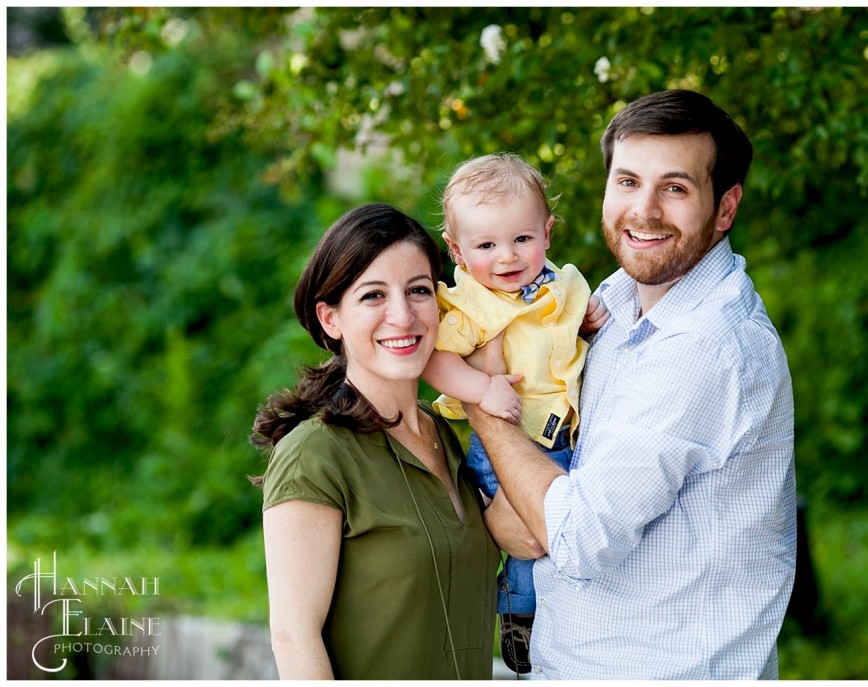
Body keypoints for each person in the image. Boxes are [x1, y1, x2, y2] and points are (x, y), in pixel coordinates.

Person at [465, 90, 797, 679]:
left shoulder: (706, 345)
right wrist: (523, 508)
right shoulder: (610, 307)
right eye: (627, 181)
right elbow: (538, 512)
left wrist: (485, 408)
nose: (643, 211)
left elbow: (573, 535)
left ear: (725, 208)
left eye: (675, 188)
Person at [250, 203, 501, 680]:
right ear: (331, 319)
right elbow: (293, 637)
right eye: (373, 296)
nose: (402, 316)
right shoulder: (314, 453)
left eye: (419, 291)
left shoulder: (443, 433)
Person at [420, 152, 608, 674]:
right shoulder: (471, 306)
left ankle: (565, 622)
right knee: (530, 543)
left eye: (522, 239)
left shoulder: (563, 284)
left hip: (564, 434)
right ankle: (517, 612)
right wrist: (481, 388)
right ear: (457, 252)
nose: (506, 256)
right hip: (503, 445)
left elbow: (568, 334)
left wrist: (585, 323)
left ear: (546, 233)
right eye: (485, 245)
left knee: (575, 532)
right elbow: (433, 359)